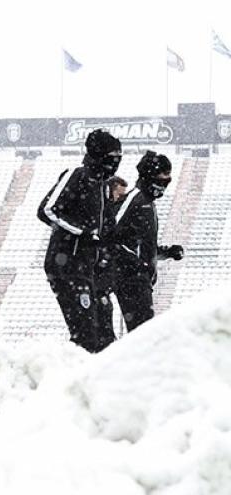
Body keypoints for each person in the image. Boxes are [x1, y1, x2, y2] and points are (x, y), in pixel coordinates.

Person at [37, 129, 121, 353]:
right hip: (67, 265)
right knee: (86, 334)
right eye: (113, 156)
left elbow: (106, 229)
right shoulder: (77, 175)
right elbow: (46, 210)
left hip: (87, 267)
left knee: (104, 335)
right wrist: (81, 233)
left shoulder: (103, 185)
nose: (117, 162)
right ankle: (75, 377)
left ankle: (97, 378)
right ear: (99, 154)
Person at [107, 151, 183, 332]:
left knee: (144, 333)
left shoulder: (148, 203)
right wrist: (133, 264)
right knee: (144, 334)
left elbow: (141, 245)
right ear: (149, 176)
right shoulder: (135, 199)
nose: (164, 186)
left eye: (168, 181)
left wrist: (166, 252)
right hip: (130, 278)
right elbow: (108, 233)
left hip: (141, 279)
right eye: (162, 179)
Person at [93, 175, 128, 343]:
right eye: (119, 195)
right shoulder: (103, 213)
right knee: (102, 308)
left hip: (106, 275)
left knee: (105, 307)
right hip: (100, 274)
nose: (120, 199)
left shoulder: (109, 213)